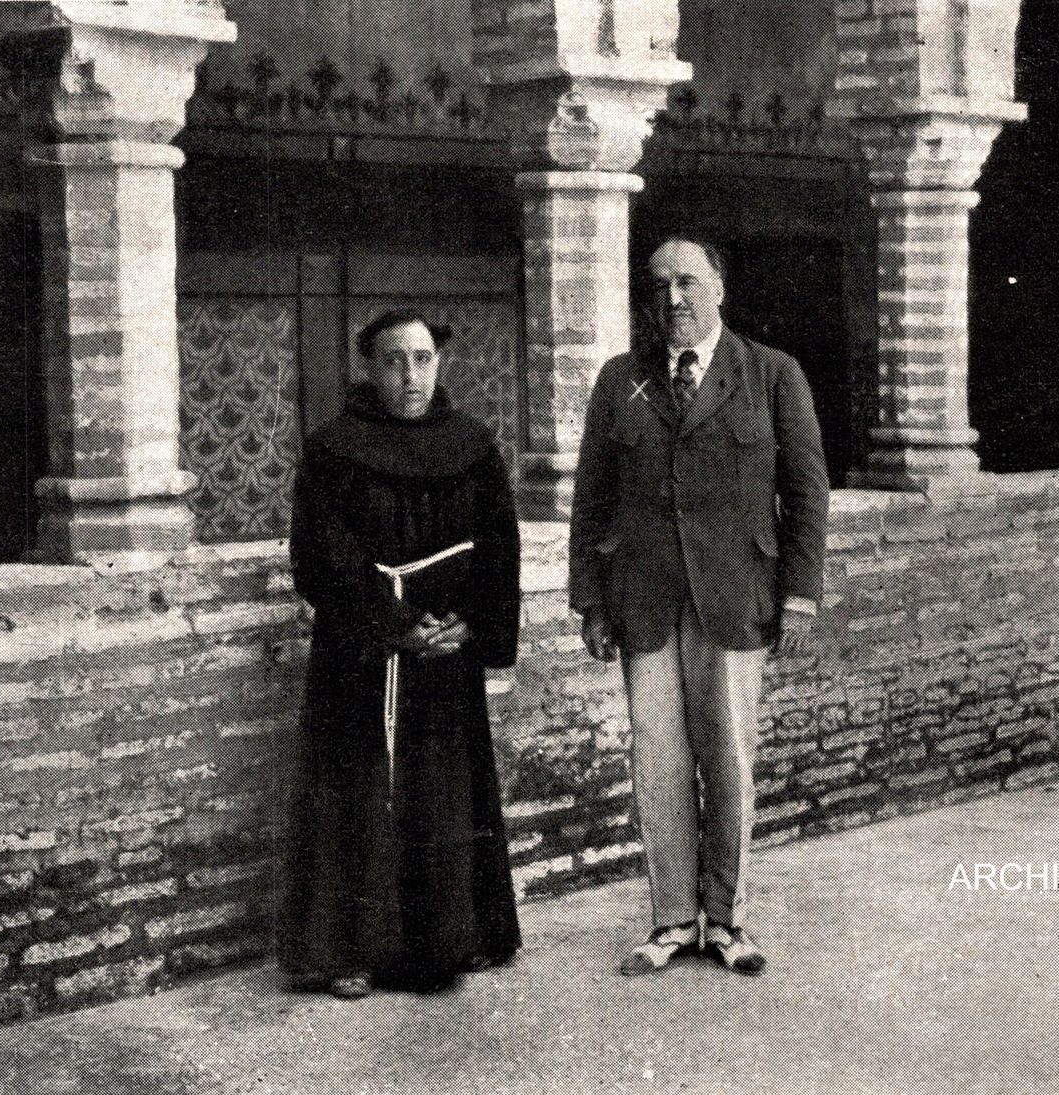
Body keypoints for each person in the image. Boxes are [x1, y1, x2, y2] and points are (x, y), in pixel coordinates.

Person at [569, 237, 829, 977]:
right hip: (644, 601)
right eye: (659, 286)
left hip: (736, 598)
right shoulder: (622, 379)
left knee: (729, 759)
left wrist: (801, 595)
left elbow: (807, 492)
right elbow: (591, 498)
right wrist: (590, 599)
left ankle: (729, 920)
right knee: (657, 761)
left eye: (687, 282)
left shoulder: (771, 374)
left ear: (720, 286)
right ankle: (672, 920)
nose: (672, 299)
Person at [278, 309, 522, 998]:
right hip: (362, 657)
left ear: (439, 362)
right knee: (360, 796)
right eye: (393, 360)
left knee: (445, 792)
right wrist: (395, 625)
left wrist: (469, 626)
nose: (409, 375)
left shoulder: (473, 446)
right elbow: (321, 555)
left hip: (447, 653)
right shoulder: (333, 449)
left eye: (421, 358)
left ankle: (460, 933)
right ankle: (350, 950)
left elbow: (498, 547)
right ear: (370, 367)